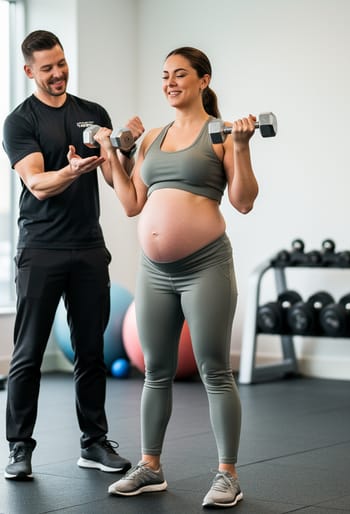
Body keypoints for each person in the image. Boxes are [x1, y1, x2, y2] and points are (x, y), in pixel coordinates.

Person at [97, 47, 259, 508]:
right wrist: (111, 153)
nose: (170, 82)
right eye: (165, 75)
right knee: (155, 371)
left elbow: (243, 201)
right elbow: (130, 203)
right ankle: (150, 466)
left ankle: (228, 475)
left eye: (180, 74)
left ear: (203, 80)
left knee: (214, 370)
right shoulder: (150, 137)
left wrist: (243, 147)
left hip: (204, 265)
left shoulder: (221, 135)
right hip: (154, 271)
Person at [1, 29, 137, 481]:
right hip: (40, 248)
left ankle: (94, 442)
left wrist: (124, 148)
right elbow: (37, 184)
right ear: (29, 72)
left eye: (61, 63)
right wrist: (72, 171)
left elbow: (120, 179)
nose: (58, 73)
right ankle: (19, 448)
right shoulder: (20, 122)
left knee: (92, 350)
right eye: (47, 68)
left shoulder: (92, 114)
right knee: (29, 353)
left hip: (88, 247)